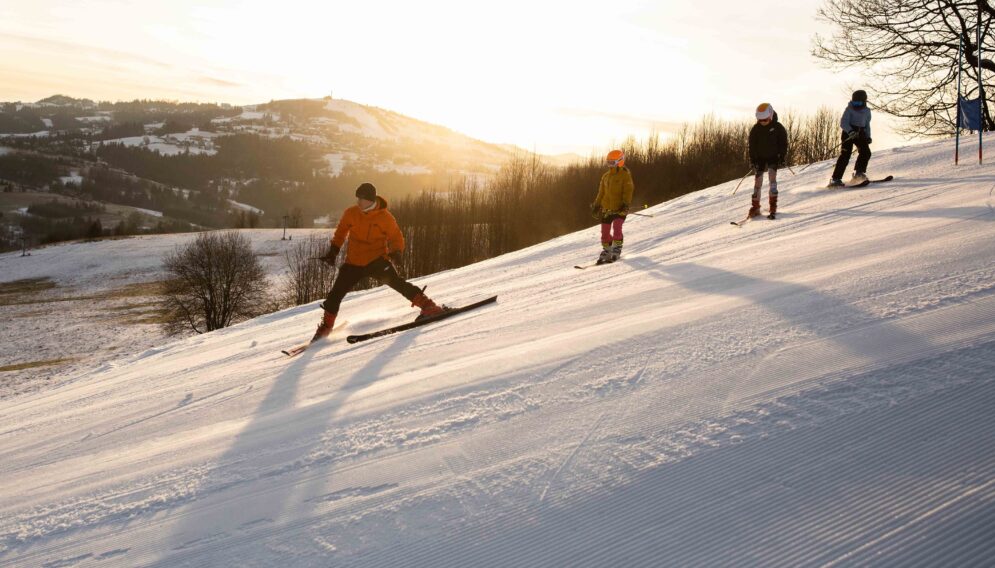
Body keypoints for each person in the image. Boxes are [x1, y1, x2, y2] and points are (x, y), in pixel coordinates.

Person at [311, 182, 446, 341]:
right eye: (357, 198)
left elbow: (396, 237)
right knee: (335, 294)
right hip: (353, 263)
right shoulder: (351, 213)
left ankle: (428, 307)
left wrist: (396, 251)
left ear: (370, 200)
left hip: (376, 261)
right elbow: (341, 232)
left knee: (398, 283)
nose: (358, 202)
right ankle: (326, 327)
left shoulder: (385, 217)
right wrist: (333, 251)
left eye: (361, 199)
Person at [590, 149, 634, 263]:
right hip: (607, 209)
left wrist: (625, 204)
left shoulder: (625, 176)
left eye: (612, 162)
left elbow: (628, 191)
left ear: (619, 162)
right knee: (604, 232)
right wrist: (596, 205)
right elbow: (601, 193)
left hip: (620, 209)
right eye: (608, 162)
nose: (609, 165)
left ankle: (616, 249)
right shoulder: (606, 176)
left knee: (617, 227)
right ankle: (607, 249)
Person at [747, 102, 788, 220]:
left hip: (773, 157)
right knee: (757, 182)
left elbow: (783, 143)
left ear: (770, 116)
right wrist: (753, 159)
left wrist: (782, 156)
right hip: (759, 158)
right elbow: (752, 145)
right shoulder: (755, 129)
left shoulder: (778, 127)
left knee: (772, 179)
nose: (763, 122)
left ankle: (773, 206)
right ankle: (755, 207)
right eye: (760, 120)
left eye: (765, 120)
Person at [828, 90, 872, 187]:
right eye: (854, 102)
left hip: (860, 133)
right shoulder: (849, 109)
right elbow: (843, 122)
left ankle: (859, 173)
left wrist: (868, 136)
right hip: (848, 133)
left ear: (864, 101)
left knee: (866, 152)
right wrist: (850, 131)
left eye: (858, 103)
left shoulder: (867, 111)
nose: (856, 104)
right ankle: (836, 179)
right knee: (845, 155)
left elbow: (867, 125)